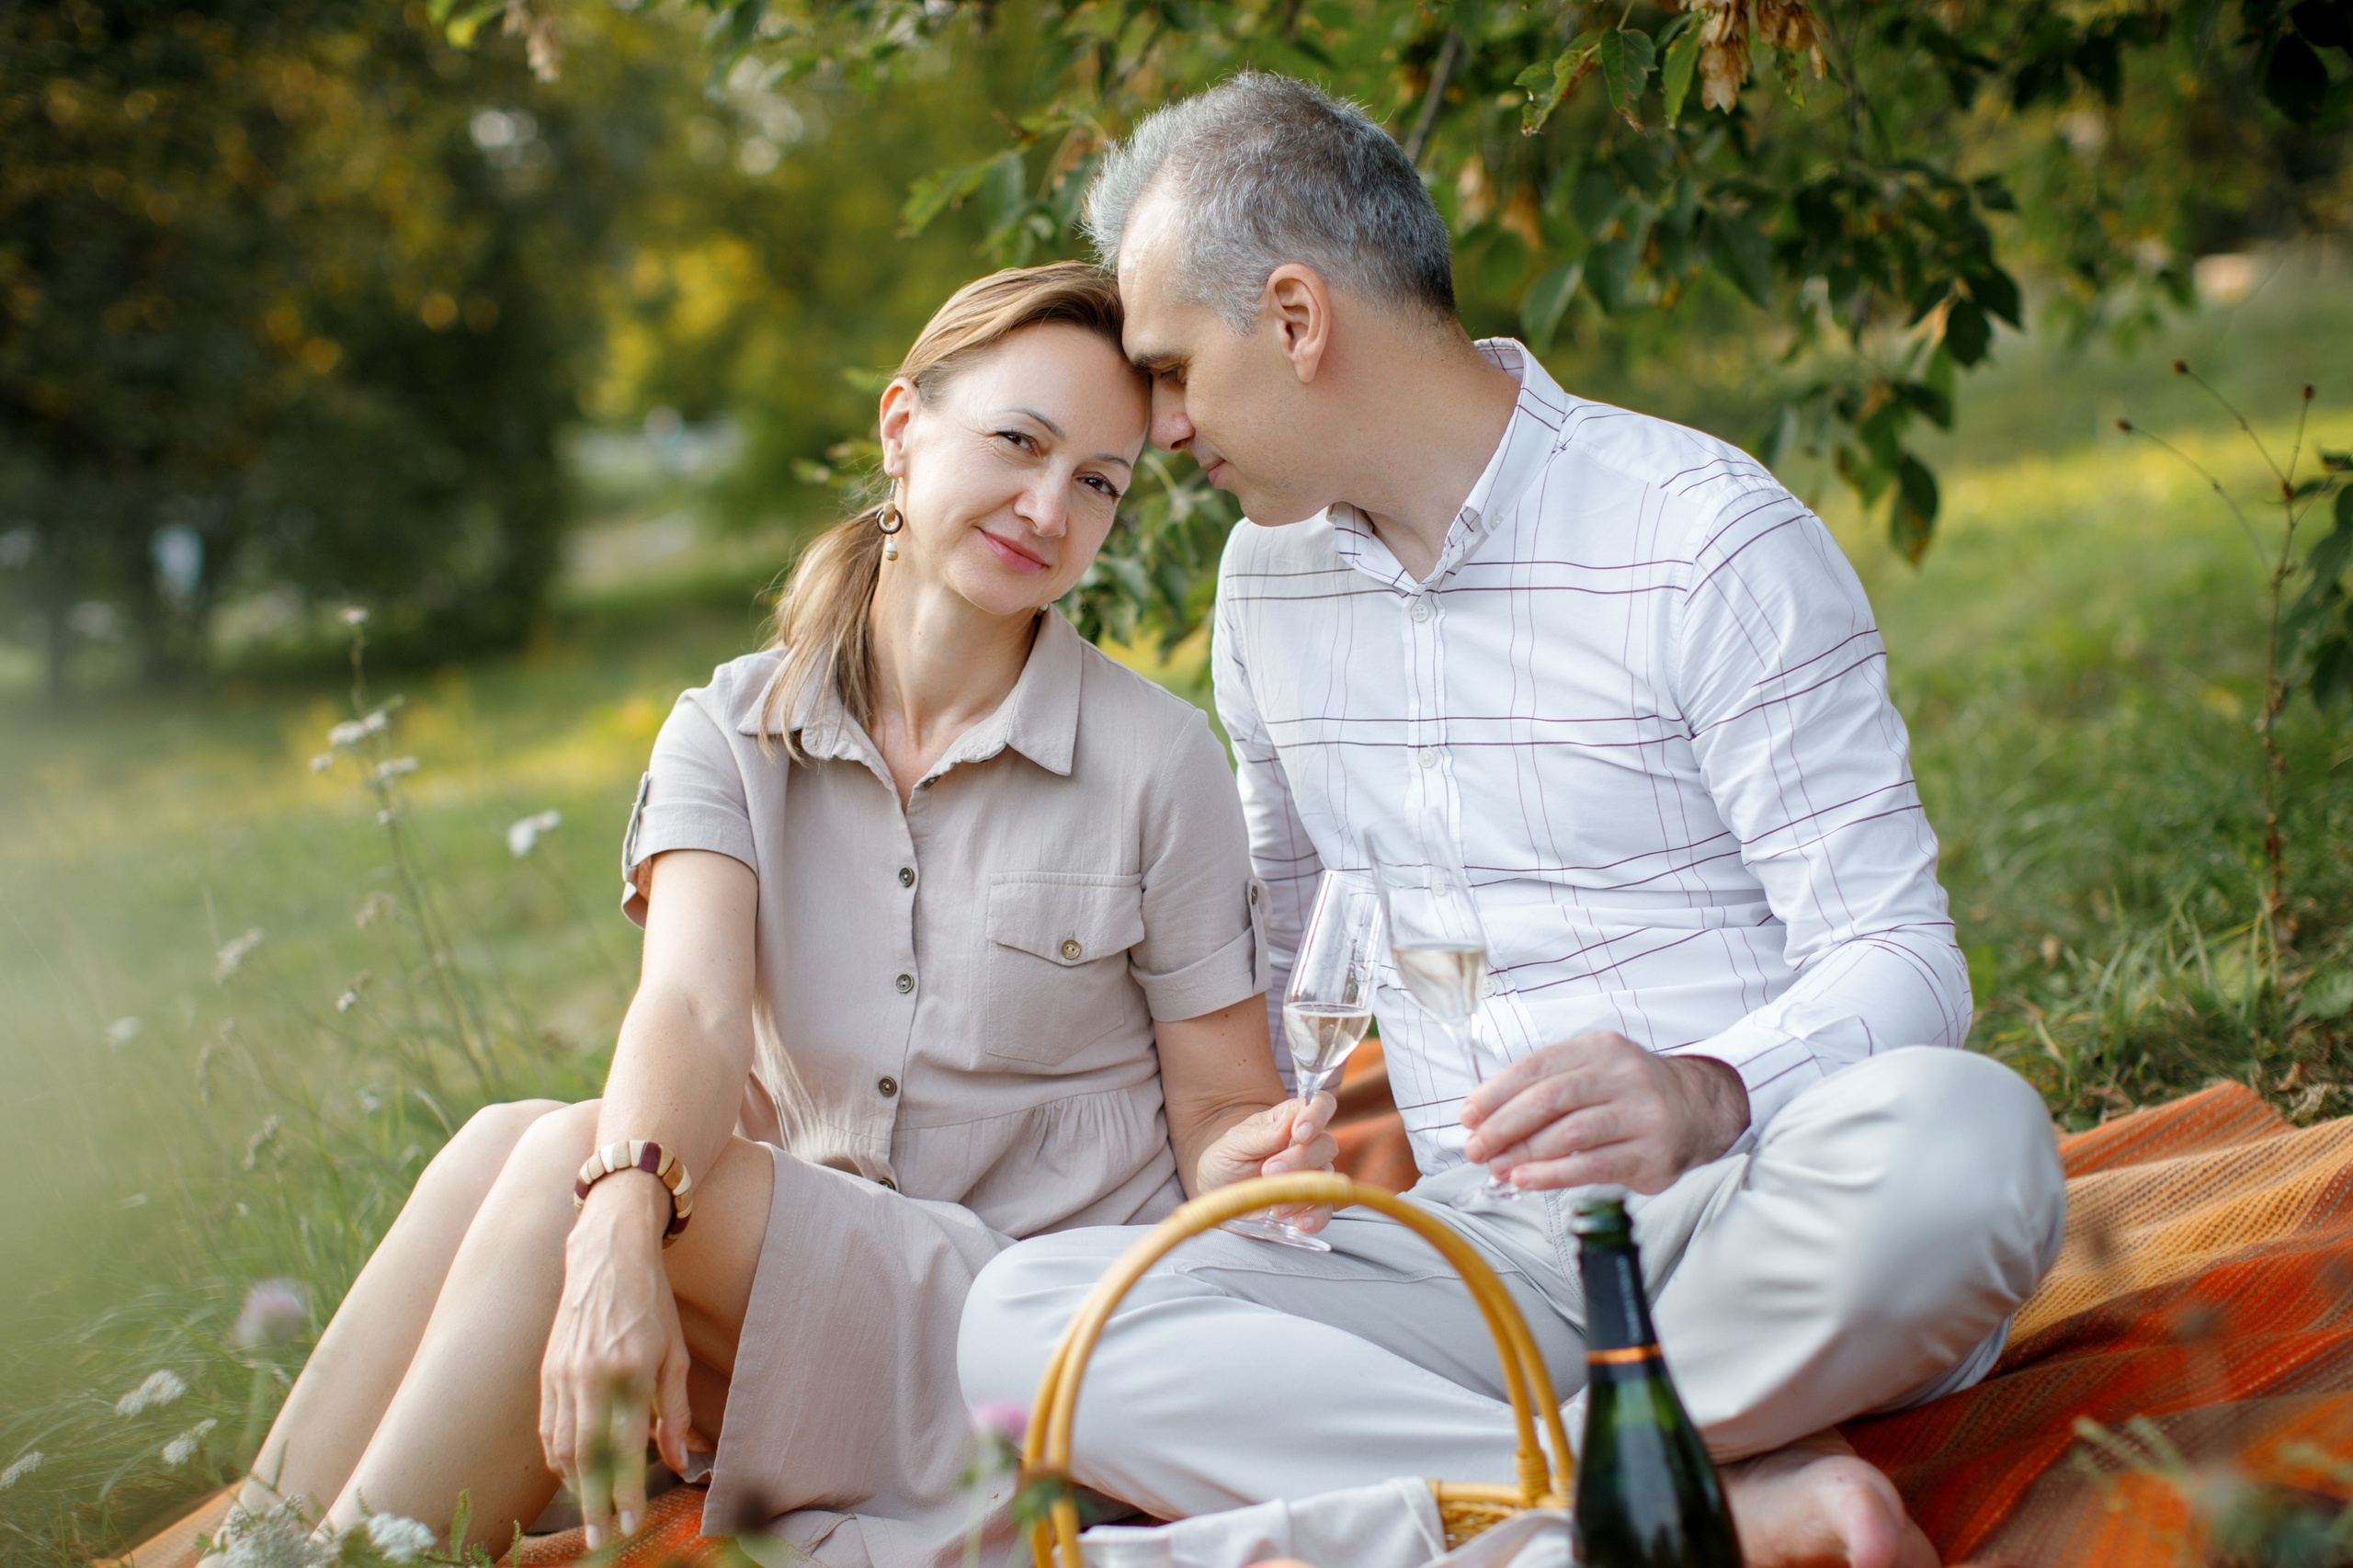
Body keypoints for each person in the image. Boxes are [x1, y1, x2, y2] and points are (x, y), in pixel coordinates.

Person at [957, 76, 2066, 1568]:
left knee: (1974, 1146)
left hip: (1754, 1217)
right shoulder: (1265, 589)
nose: (1157, 431)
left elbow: (1905, 961)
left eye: (1168, 371)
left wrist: (1699, 1089)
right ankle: (1688, 1500)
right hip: (1480, 1272)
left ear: (1295, 318)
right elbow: (1287, 940)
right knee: (1033, 1322)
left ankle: (1432, 1486)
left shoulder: (1701, 535)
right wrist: (1269, 1134)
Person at [221, 262, 1335, 1568]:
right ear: (902, 427)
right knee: (502, 1139)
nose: (1049, 506)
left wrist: (1246, 1160)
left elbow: (1216, 1105)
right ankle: (256, 1541)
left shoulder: (1157, 759)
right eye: (1018, 443)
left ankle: (321, 1561)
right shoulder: (733, 726)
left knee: (562, 1163)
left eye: (1098, 480)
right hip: (805, 1281)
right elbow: (688, 1005)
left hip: (1032, 1321)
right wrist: (621, 1226)